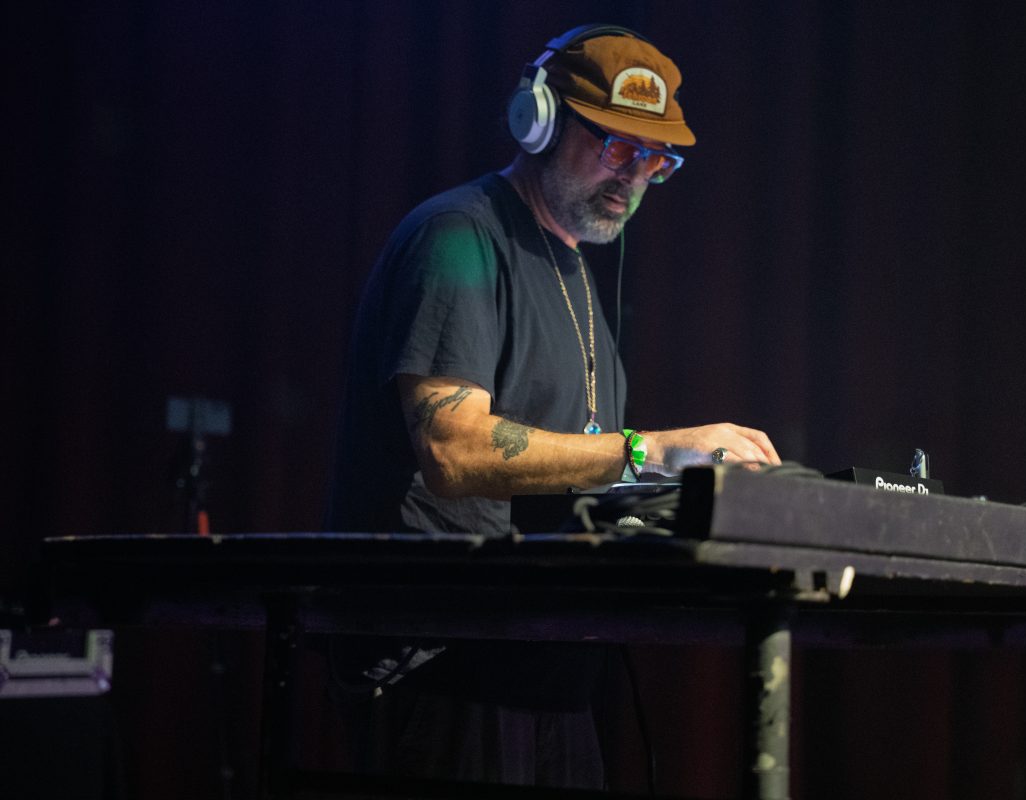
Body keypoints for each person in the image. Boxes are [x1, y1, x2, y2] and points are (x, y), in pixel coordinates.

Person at [324, 24, 780, 789]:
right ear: (538, 119)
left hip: (548, 671)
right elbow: (453, 450)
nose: (634, 178)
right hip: (440, 666)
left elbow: (576, 476)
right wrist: (651, 451)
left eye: (656, 161)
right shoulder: (458, 239)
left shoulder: (574, 276)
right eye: (618, 148)